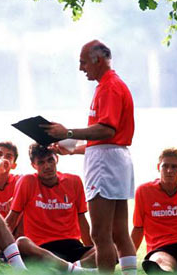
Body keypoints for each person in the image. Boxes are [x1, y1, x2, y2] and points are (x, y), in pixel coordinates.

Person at [42, 39, 136, 274]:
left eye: (83, 62)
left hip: (106, 164)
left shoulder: (109, 87)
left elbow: (107, 130)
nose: (81, 68)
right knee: (119, 232)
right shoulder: (110, 85)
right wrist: (73, 148)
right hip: (114, 159)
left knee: (100, 234)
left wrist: (68, 132)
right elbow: (105, 138)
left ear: (98, 60)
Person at [5, 143, 95, 273]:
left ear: (56, 159)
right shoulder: (27, 181)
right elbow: (12, 219)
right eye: (41, 162)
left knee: (110, 249)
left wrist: (92, 248)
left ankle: (68, 269)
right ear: (33, 165)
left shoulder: (74, 181)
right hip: (41, 249)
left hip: (72, 246)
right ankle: (75, 270)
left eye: (50, 160)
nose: (47, 166)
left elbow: (82, 220)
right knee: (21, 243)